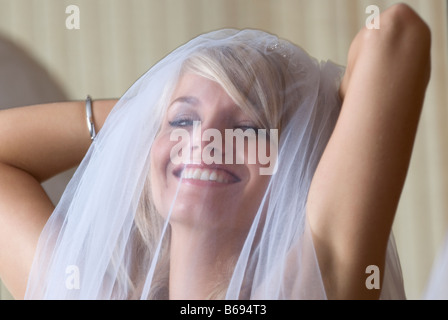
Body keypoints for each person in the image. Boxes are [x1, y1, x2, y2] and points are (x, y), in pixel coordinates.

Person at [0, 4, 431, 300]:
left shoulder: (311, 284)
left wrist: (315, 127)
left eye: (247, 128)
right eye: (183, 121)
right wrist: (142, 115)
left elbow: (394, 34)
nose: (205, 141)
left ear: (295, 165)